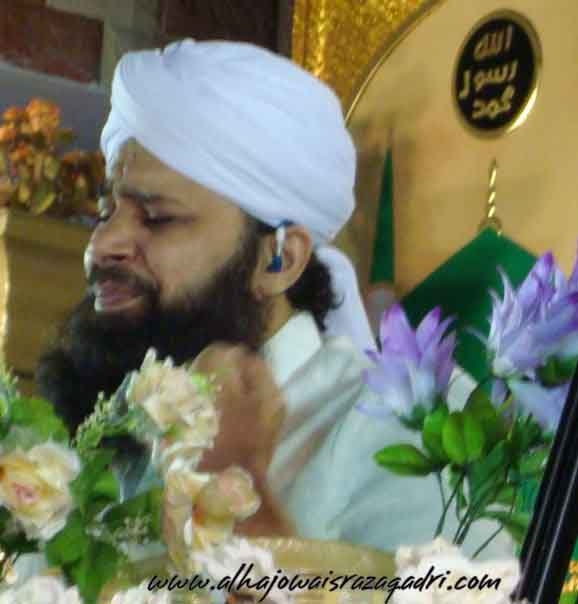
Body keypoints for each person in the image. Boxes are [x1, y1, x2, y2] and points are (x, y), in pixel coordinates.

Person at [37, 39, 509, 555]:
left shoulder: (404, 424)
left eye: (157, 218)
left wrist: (234, 477)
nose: (102, 243)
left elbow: (459, 587)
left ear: (278, 259)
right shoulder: (106, 424)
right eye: (105, 212)